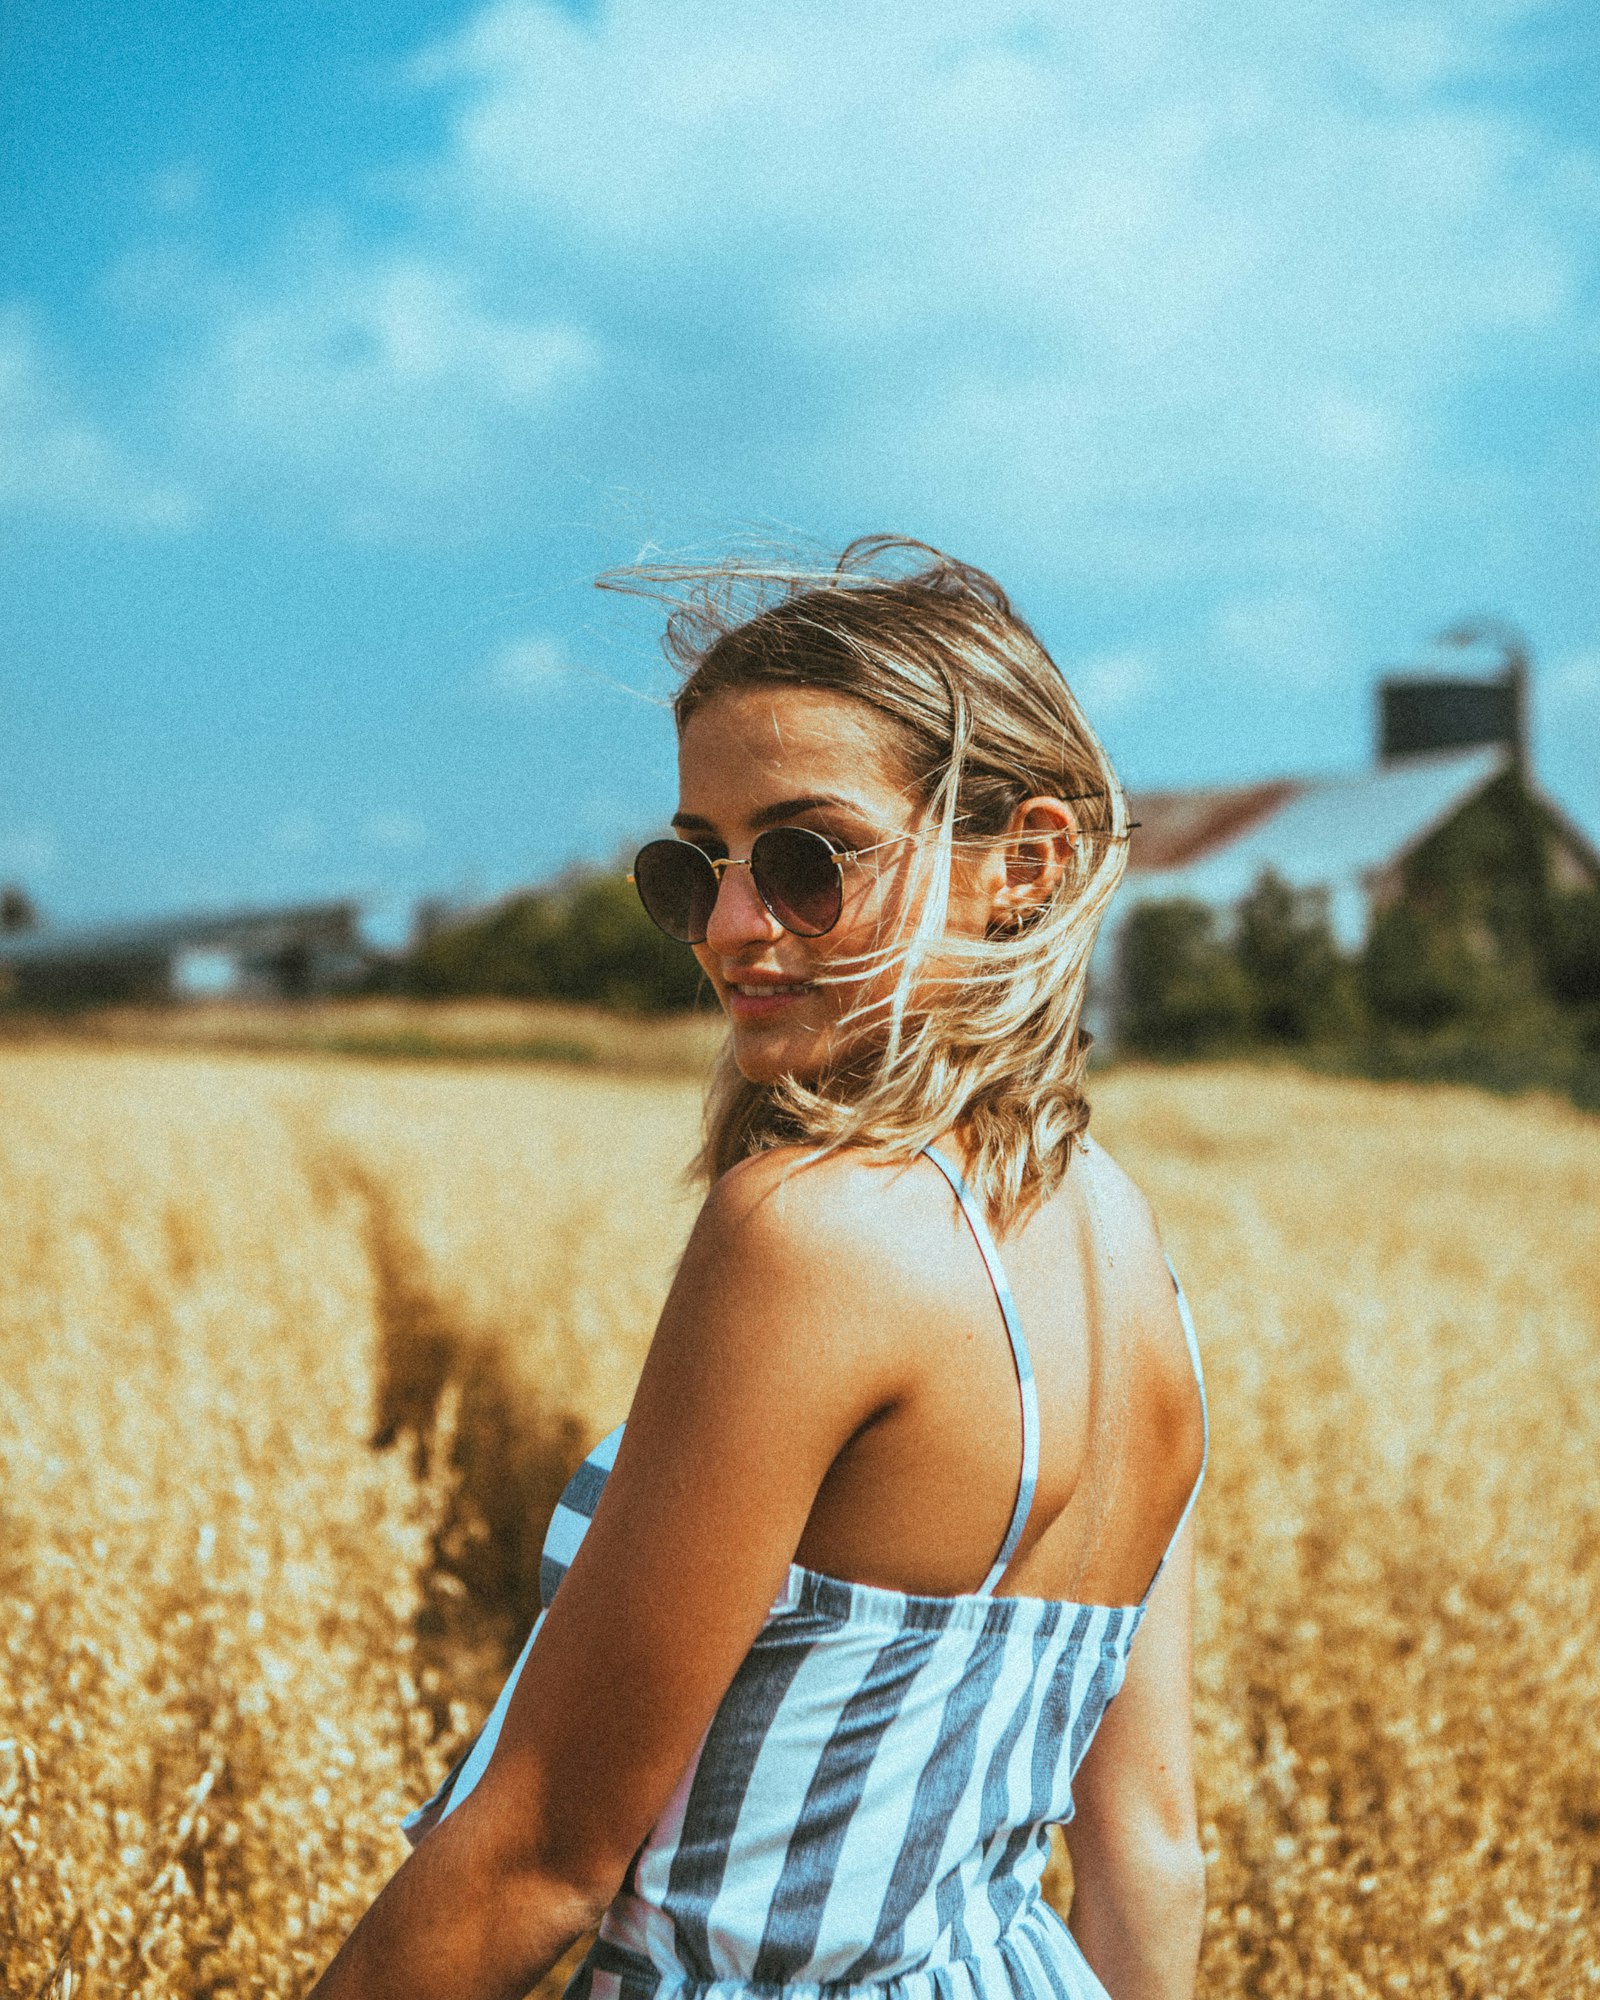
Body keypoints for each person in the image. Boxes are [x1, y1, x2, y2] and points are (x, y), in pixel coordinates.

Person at [308, 538, 1208, 2000]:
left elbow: (538, 1855)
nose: (733, 927)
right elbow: (1150, 1854)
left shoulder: (813, 1234)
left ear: (1022, 868)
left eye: (807, 857)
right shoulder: (1127, 1243)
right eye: (696, 866)